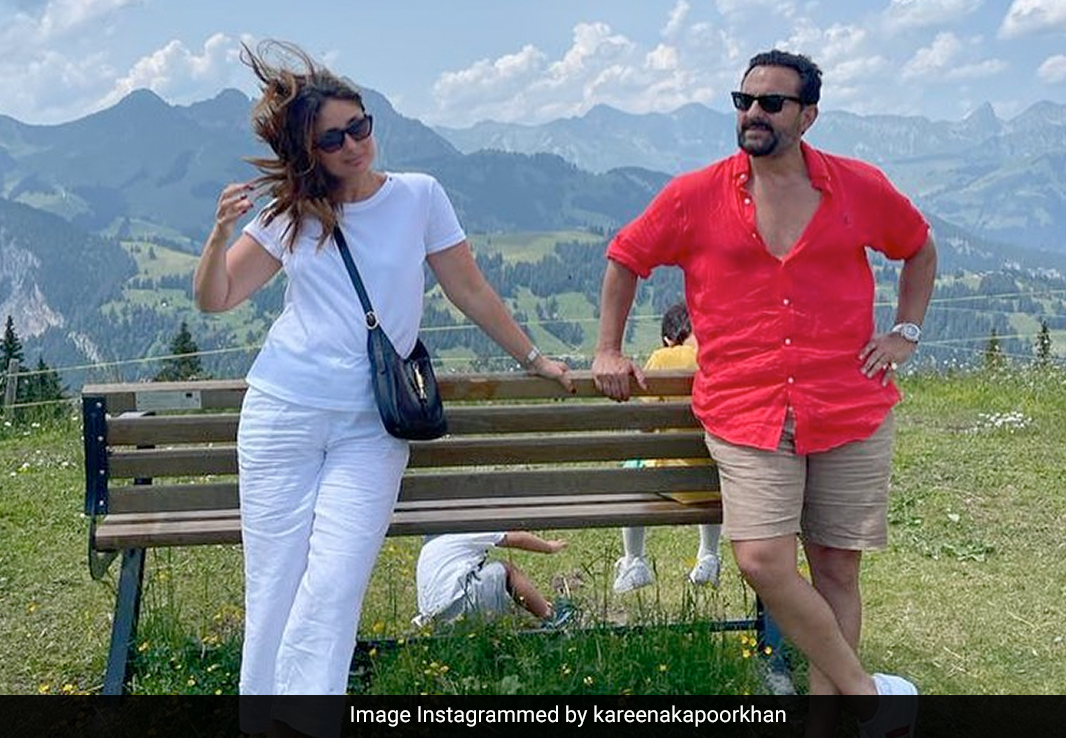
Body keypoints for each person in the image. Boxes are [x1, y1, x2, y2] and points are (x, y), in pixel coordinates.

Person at [193, 39, 572, 728]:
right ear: (310, 151)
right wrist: (219, 236)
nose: (352, 144)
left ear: (372, 120)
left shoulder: (420, 195)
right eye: (332, 138)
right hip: (283, 412)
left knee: (335, 582)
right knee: (274, 580)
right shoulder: (291, 213)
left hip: (373, 425)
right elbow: (216, 298)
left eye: (358, 125)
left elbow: (469, 288)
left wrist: (533, 357)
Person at [591, 49, 936, 734]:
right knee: (761, 560)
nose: (753, 113)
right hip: (745, 409)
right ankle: (867, 696)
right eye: (743, 100)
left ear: (807, 115)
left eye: (771, 103)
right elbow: (626, 256)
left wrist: (905, 332)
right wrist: (607, 349)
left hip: (849, 405)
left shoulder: (857, 187)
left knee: (837, 569)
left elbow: (918, 248)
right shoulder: (696, 194)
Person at [612, 301, 723, 592]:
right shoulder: (724, 356)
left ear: (668, 339)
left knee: (632, 467)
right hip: (721, 482)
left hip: (670, 481)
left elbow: (646, 425)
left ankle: (633, 560)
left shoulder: (663, 358)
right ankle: (709, 555)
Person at [413, 531, 573, 628]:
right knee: (507, 569)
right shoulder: (466, 529)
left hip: (433, 619)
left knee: (484, 576)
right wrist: (549, 547)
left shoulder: (431, 541)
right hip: (459, 604)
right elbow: (517, 538)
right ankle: (551, 617)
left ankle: (538, 606)